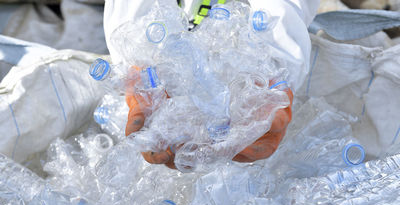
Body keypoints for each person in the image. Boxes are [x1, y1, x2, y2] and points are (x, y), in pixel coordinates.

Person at [103, 0, 320, 169]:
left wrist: (275, 66)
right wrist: (144, 60)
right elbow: (137, 23)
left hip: (239, 35)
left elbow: (278, 16)